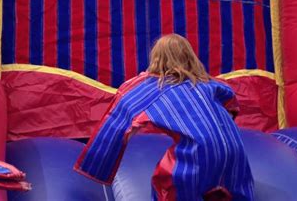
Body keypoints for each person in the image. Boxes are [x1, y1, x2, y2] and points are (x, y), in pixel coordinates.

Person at [74, 34, 254, 201]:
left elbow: (119, 119)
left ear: (157, 59)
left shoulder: (152, 86)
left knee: (166, 182)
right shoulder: (210, 84)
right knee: (228, 189)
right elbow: (231, 103)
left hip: (196, 155)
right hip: (236, 154)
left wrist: (100, 161)